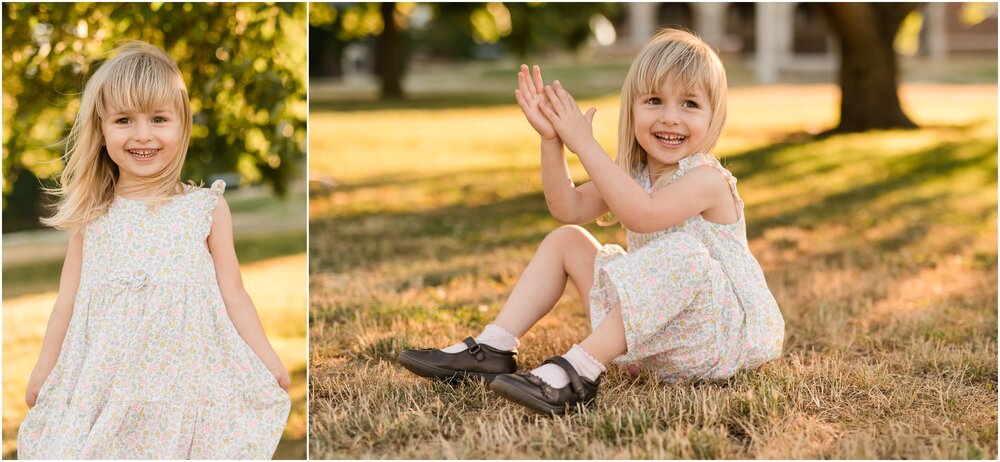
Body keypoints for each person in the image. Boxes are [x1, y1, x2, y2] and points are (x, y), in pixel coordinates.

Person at [397, 28, 784, 415]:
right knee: (567, 238)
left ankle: (579, 371)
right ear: (632, 107)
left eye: (690, 104)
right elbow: (568, 207)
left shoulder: (707, 179)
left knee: (686, 252)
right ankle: (493, 348)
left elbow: (643, 215)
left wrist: (586, 143)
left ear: (714, 117)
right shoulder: (631, 174)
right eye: (654, 100)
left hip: (714, 340)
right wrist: (553, 140)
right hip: (652, 341)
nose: (670, 117)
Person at [17, 41, 290, 458]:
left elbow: (234, 294)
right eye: (124, 120)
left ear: (181, 125)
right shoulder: (94, 216)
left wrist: (267, 359)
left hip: (184, 385)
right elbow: (67, 302)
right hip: (108, 384)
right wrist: (44, 369)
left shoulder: (205, 208)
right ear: (102, 128)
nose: (143, 134)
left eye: (159, 119)